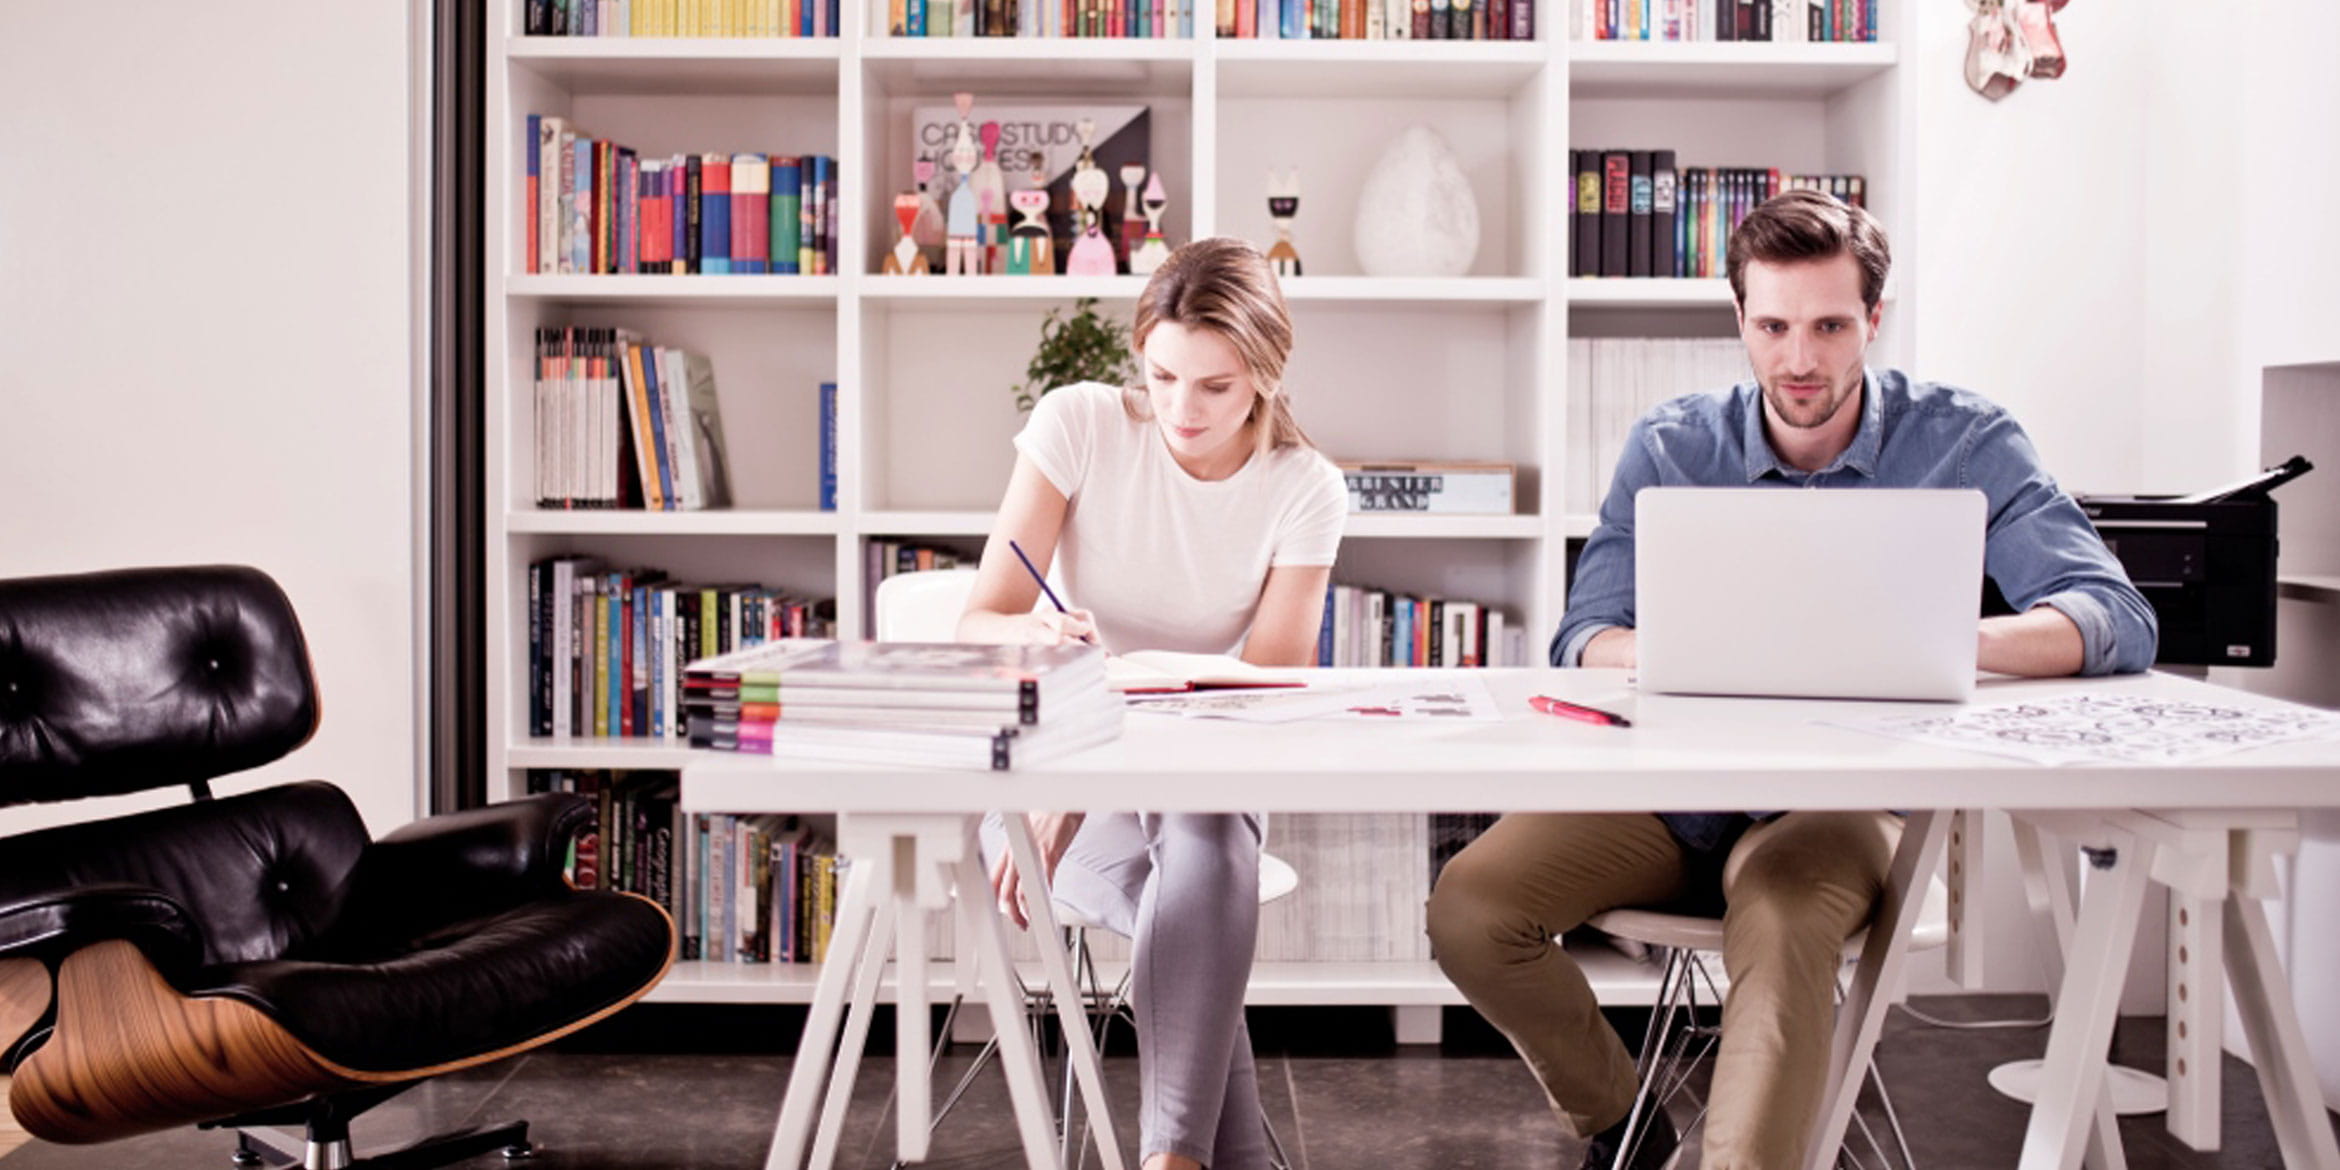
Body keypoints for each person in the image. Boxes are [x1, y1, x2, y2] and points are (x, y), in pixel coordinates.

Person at [1426, 189, 2157, 1170]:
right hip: (1669, 796)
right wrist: (1713, 641)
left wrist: (1930, 635)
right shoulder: (1673, 444)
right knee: (1471, 907)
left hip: (1838, 808)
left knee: (1773, 917)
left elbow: (2112, 617)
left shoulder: (1966, 441)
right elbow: (1585, 635)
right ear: (1739, 320)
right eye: (1771, 327)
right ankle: (1625, 1128)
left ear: (1875, 320)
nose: (1799, 358)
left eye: (1829, 326)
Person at [957, 236, 1346, 1170]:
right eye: (1163, 374)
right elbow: (983, 616)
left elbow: (1262, 699)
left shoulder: (1305, 491)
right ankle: (1202, 1160)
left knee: (1207, 836)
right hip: (1050, 782)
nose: (1182, 408)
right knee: (1205, 892)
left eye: (1215, 385)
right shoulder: (1080, 425)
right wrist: (1035, 640)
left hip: (1191, 782)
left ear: (1266, 371)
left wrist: (1097, 775)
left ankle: (1175, 1161)